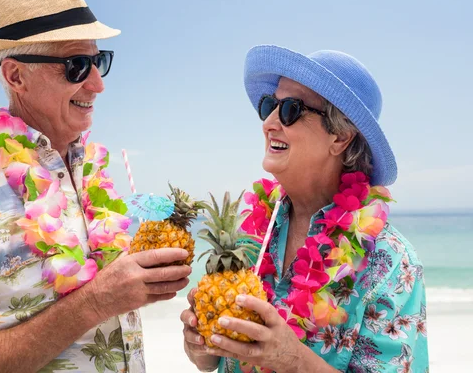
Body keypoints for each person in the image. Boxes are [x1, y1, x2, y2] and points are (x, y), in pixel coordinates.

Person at [0, 0, 190, 372]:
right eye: (76, 66)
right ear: (16, 76)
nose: (98, 84)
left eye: (99, 61)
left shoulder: (88, 172)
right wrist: (99, 300)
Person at [181, 45, 428, 372]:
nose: (268, 122)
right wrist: (202, 347)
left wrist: (292, 359)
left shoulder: (390, 261)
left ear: (340, 137)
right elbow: (214, 360)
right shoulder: (252, 235)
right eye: (268, 105)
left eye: (290, 109)